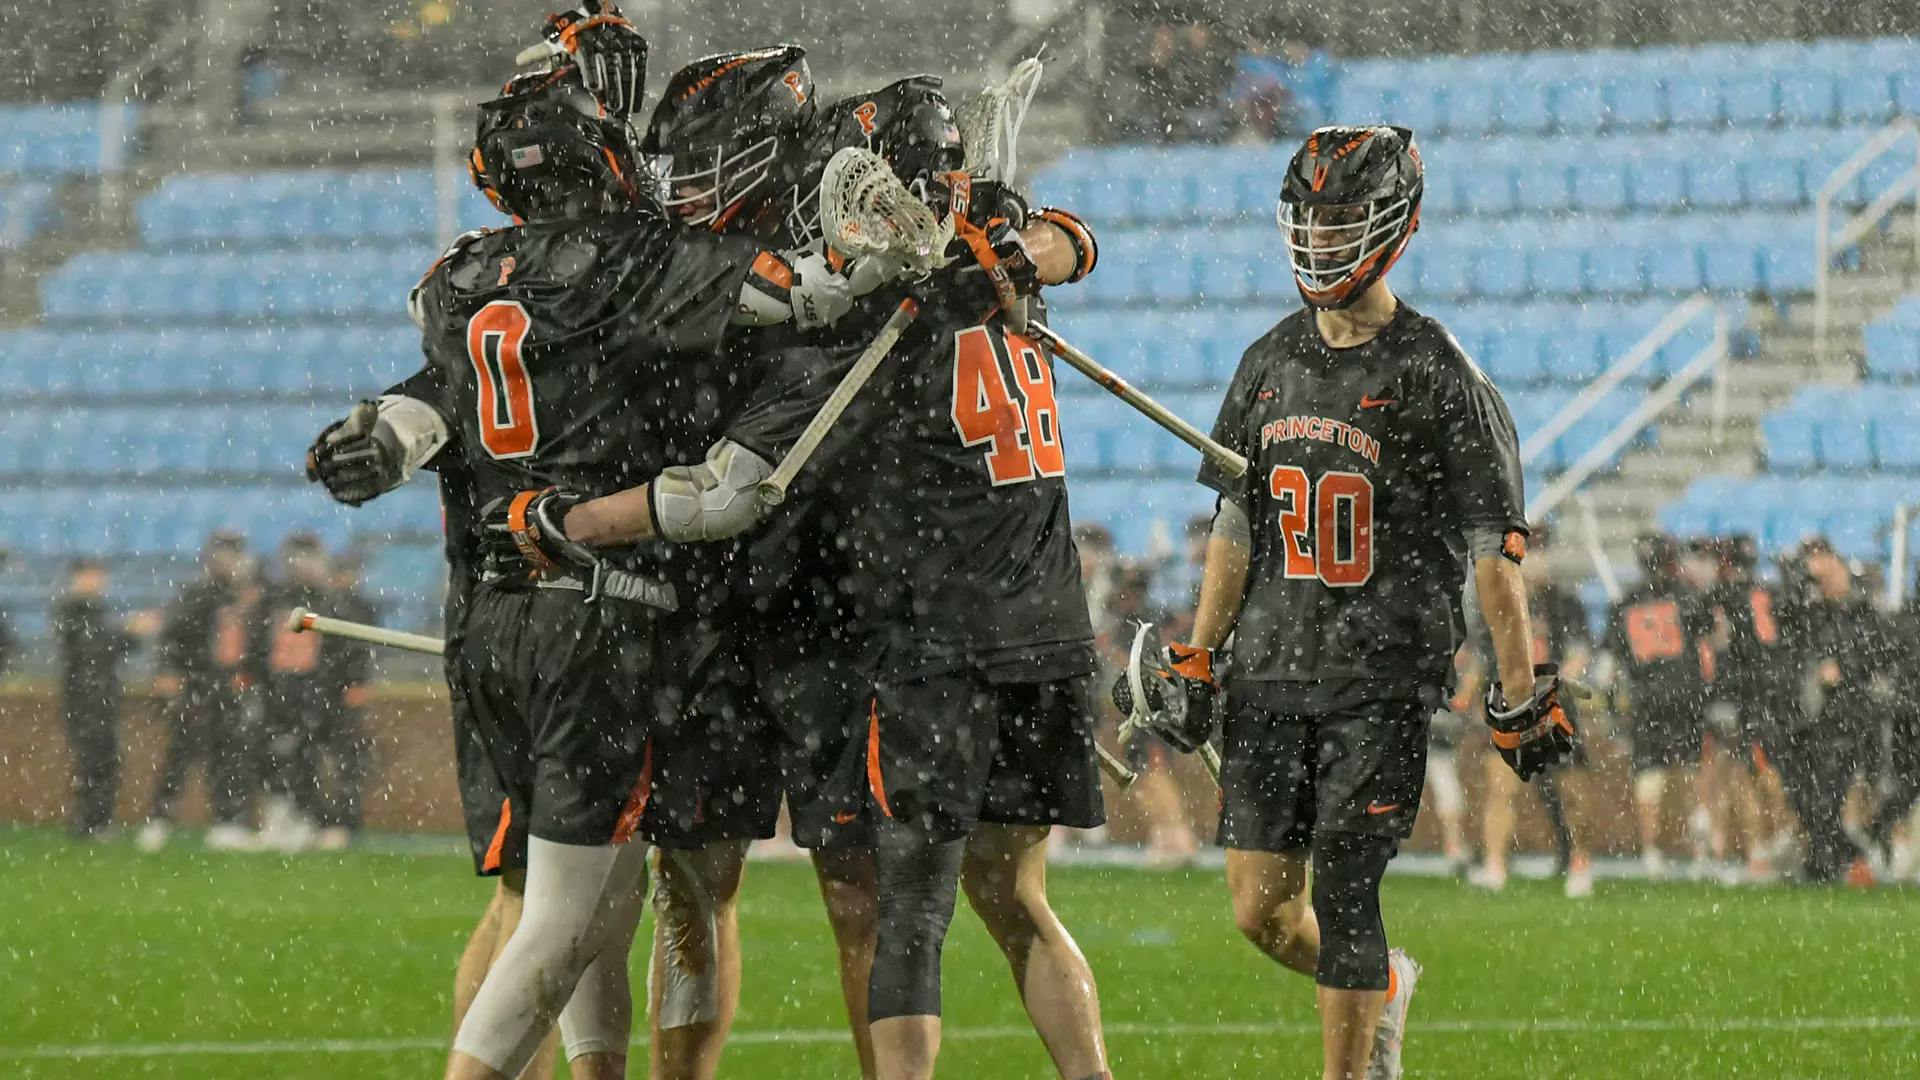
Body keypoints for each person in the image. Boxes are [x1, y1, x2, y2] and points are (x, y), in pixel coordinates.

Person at [1127, 125, 1573, 1080]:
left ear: (1394, 224)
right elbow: (1235, 526)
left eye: (1342, 221)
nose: (1324, 240)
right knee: (1259, 910)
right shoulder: (1265, 362)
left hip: (1379, 673)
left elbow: (1493, 554)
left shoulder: (1439, 371)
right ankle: (1388, 992)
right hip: (1271, 665)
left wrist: (1517, 690)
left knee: (1347, 892)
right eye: (1313, 221)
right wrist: (1201, 653)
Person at [1470, 522, 1598, 898]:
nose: (1536, 562)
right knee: (1500, 787)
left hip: (1556, 705)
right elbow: (1485, 659)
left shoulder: (1564, 603)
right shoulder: (1499, 600)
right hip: (1511, 706)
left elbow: (1579, 652)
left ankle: (1580, 862)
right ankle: (1495, 865)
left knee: (1573, 791)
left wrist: (1557, 687)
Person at [141, 530, 259, 852]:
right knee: (182, 753)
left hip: (228, 688)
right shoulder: (197, 595)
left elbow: (252, 643)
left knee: (227, 757)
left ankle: (227, 820)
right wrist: (170, 672)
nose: (230, 561)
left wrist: (244, 674)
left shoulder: (244, 596)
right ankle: (159, 819)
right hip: (198, 685)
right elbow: (173, 636)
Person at [1778, 539, 1887, 885]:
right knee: (1804, 793)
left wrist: (1845, 667)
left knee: (1827, 792)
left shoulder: (1861, 607)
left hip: (1848, 713)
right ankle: (1834, 856)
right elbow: (1785, 622)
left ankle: (1830, 860)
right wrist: (1799, 583)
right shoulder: (1812, 609)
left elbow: (1879, 652)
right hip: (1811, 715)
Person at [1604, 532, 1713, 879]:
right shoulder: (1686, 596)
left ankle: (1651, 854)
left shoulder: (1625, 603)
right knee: (1690, 774)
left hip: (1647, 698)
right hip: (1684, 695)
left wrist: (1615, 704)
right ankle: (1699, 853)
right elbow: (1709, 638)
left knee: (1650, 777)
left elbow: (1612, 664)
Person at [246, 533, 337, 853]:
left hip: (310, 692)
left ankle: (309, 819)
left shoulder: (326, 600)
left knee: (305, 757)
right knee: (269, 754)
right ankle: (279, 816)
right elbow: (256, 645)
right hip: (277, 690)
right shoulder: (272, 600)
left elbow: (338, 653)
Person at [53, 558, 147, 838]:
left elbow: (111, 647)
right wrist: (126, 632)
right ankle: (88, 822)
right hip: (84, 694)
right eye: (93, 575)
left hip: (101, 692)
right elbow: (90, 647)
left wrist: (130, 635)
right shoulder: (70, 609)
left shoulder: (94, 610)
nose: (98, 581)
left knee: (105, 758)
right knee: (93, 759)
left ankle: (99, 821)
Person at [313, 553, 376, 850]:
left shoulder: (356, 606)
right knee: (327, 759)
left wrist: (357, 682)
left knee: (347, 760)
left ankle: (343, 820)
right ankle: (328, 820)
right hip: (325, 692)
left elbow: (362, 651)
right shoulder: (328, 603)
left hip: (341, 692)